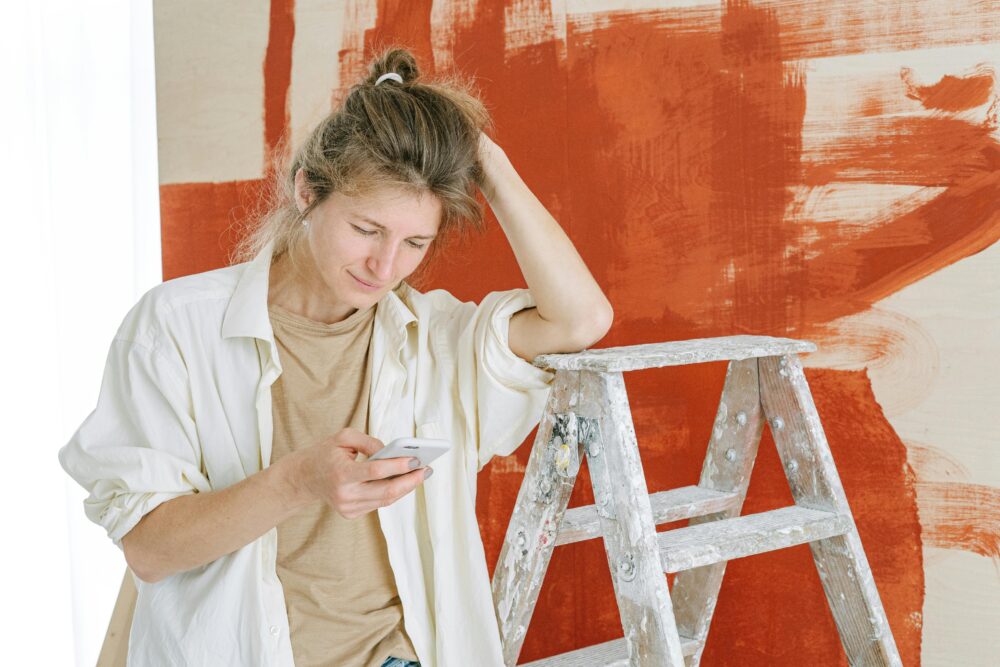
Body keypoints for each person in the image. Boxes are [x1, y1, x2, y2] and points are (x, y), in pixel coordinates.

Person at [59, 47, 613, 667]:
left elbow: (580, 319)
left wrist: (487, 161)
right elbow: (150, 550)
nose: (385, 266)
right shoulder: (175, 327)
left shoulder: (434, 338)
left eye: (415, 242)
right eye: (367, 230)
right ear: (306, 190)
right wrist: (298, 481)